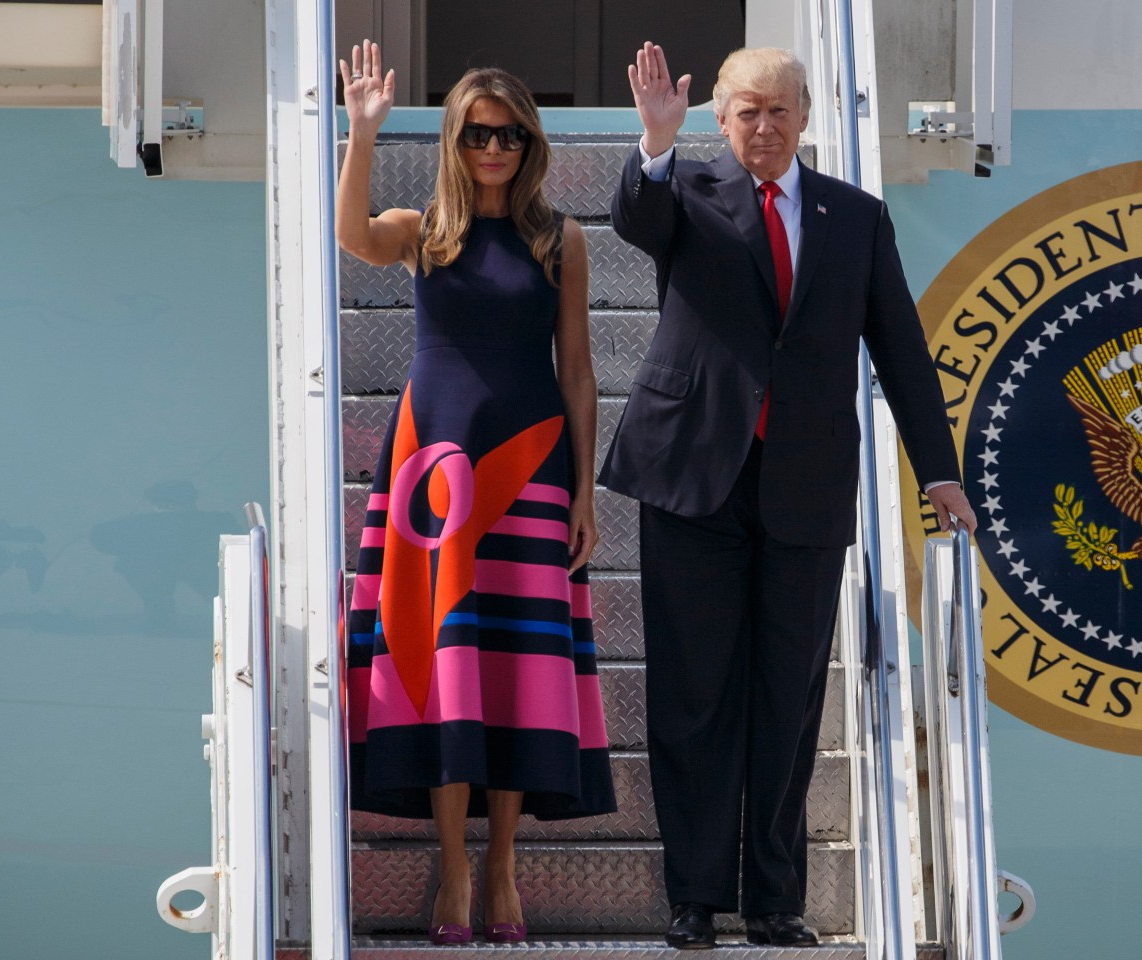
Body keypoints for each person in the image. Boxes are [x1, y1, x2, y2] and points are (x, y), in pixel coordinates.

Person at [600, 43, 977, 948]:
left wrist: (938, 470)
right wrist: (656, 143)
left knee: (787, 698)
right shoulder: (687, 192)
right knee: (694, 695)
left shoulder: (856, 217)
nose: (763, 126)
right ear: (720, 119)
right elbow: (635, 219)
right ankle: (695, 897)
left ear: (806, 116)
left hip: (805, 486)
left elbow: (901, 349)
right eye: (747, 112)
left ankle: (773, 899)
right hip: (693, 478)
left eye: (778, 110)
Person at [338, 41, 616, 946]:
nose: (493, 148)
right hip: (436, 469)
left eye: (509, 135)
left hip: (532, 463)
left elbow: (579, 372)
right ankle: (453, 866)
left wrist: (584, 493)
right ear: (453, 141)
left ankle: (502, 865)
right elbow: (352, 237)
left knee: (516, 667)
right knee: (447, 661)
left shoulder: (560, 238)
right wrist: (362, 134)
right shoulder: (422, 230)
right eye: (477, 134)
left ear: (530, 144)